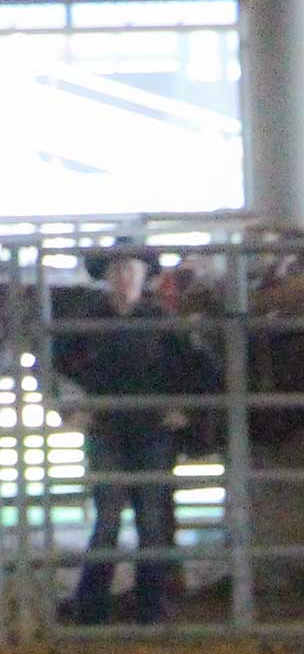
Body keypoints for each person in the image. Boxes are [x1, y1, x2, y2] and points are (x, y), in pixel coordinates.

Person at [57, 241, 201, 626]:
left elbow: (196, 368)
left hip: (148, 432)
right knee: (113, 520)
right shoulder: (90, 322)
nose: (124, 277)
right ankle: (115, 610)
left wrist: (183, 407)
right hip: (112, 431)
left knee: (146, 521)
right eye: (118, 270)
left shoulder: (156, 321)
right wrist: (72, 404)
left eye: (131, 270)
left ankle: (131, 609)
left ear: (143, 276)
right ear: (107, 276)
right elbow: (57, 368)